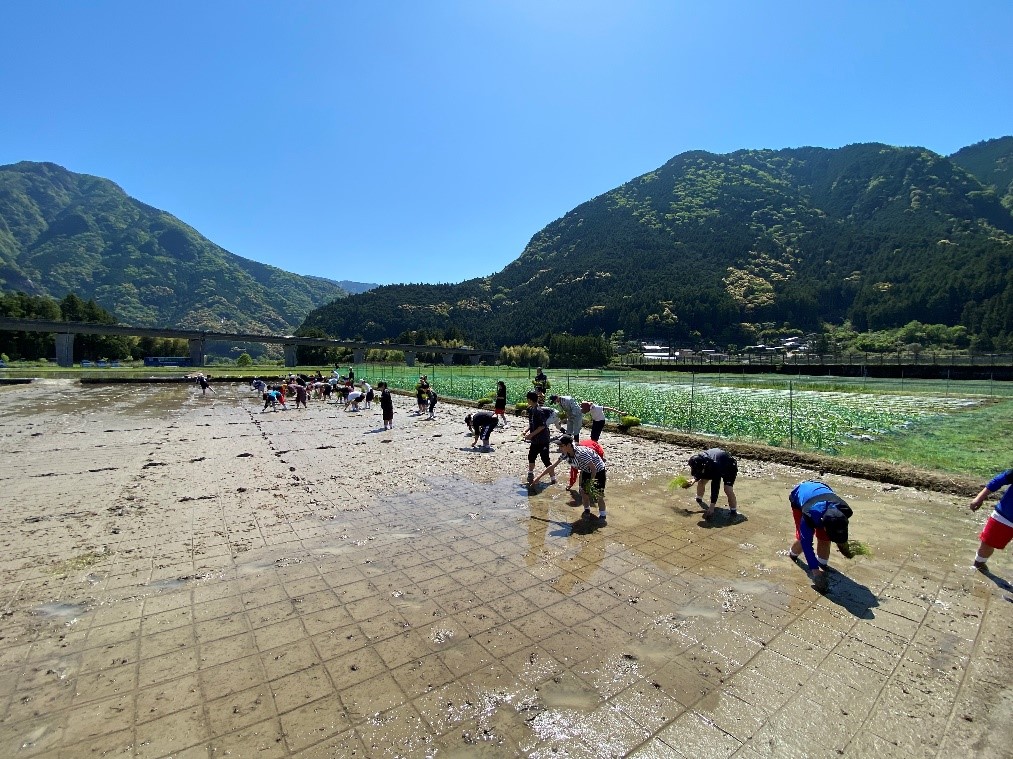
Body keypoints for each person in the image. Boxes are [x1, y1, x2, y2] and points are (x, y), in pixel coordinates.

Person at [788, 480, 854, 593]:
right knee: (801, 540)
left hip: (823, 490)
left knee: (825, 539)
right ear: (824, 525)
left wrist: (844, 546)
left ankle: (823, 564)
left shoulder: (845, 511)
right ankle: (792, 556)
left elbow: (840, 530)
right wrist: (815, 571)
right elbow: (806, 544)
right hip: (800, 493)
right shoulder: (809, 515)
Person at [533, 435, 608, 525]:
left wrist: (590, 483)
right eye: (559, 446)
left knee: (598, 494)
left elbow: (594, 469)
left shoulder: (581, 453)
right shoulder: (565, 453)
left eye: (561, 446)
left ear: (569, 445)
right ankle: (587, 511)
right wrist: (538, 477)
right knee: (583, 492)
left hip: (598, 470)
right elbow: (552, 466)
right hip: (586, 470)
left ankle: (602, 516)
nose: (559, 448)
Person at [969, 468, 1013, 572]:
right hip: (1005, 516)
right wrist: (979, 497)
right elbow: (999, 480)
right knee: (986, 545)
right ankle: (978, 567)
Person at [686, 448, 740, 520]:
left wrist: (712, 507)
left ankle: (733, 511)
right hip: (715, 463)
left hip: (729, 467)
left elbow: (715, 487)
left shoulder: (715, 466)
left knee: (727, 489)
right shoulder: (700, 459)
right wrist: (694, 479)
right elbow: (700, 471)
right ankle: (698, 499)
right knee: (701, 481)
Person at [523, 390, 554, 485]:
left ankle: (553, 479)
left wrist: (530, 435)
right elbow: (532, 424)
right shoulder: (531, 410)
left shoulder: (539, 411)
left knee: (545, 459)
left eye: (527, 399)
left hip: (543, 439)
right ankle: (530, 474)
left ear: (530, 399)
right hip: (535, 440)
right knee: (531, 456)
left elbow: (542, 426)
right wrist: (526, 430)